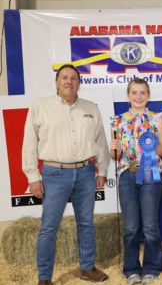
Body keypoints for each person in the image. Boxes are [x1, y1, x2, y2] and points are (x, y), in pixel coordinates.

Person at [22, 64, 110, 285]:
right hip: (54, 173)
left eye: (73, 78)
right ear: (56, 82)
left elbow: (100, 141)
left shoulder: (91, 107)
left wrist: (102, 169)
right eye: (64, 78)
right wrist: (32, 176)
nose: (68, 82)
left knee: (86, 223)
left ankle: (87, 267)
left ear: (79, 83)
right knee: (49, 226)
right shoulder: (40, 107)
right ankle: (44, 277)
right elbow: (29, 144)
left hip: (86, 172)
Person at [110, 78, 162, 285]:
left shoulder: (156, 120)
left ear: (148, 95)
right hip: (127, 175)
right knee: (131, 226)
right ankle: (132, 269)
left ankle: (151, 267)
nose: (138, 96)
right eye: (134, 92)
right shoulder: (117, 121)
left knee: (150, 225)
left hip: (151, 173)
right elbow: (115, 155)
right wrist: (114, 149)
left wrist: (152, 147)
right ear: (128, 95)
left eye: (142, 92)